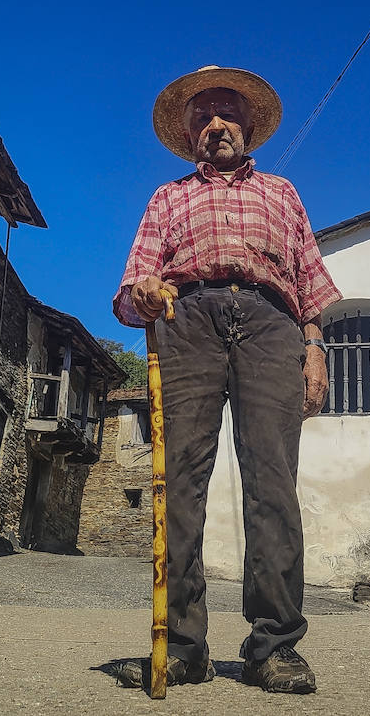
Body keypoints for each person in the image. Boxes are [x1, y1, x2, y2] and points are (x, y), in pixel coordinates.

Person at [112, 66, 341, 694]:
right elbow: (133, 287)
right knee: (178, 480)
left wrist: (314, 349)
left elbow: (310, 282)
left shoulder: (282, 192)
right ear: (190, 135)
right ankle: (183, 647)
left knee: (273, 480)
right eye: (204, 118)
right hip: (189, 323)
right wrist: (148, 293)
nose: (217, 126)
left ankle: (275, 645)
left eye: (228, 115)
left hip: (272, 325)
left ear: (246, 127)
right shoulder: (167, 197)